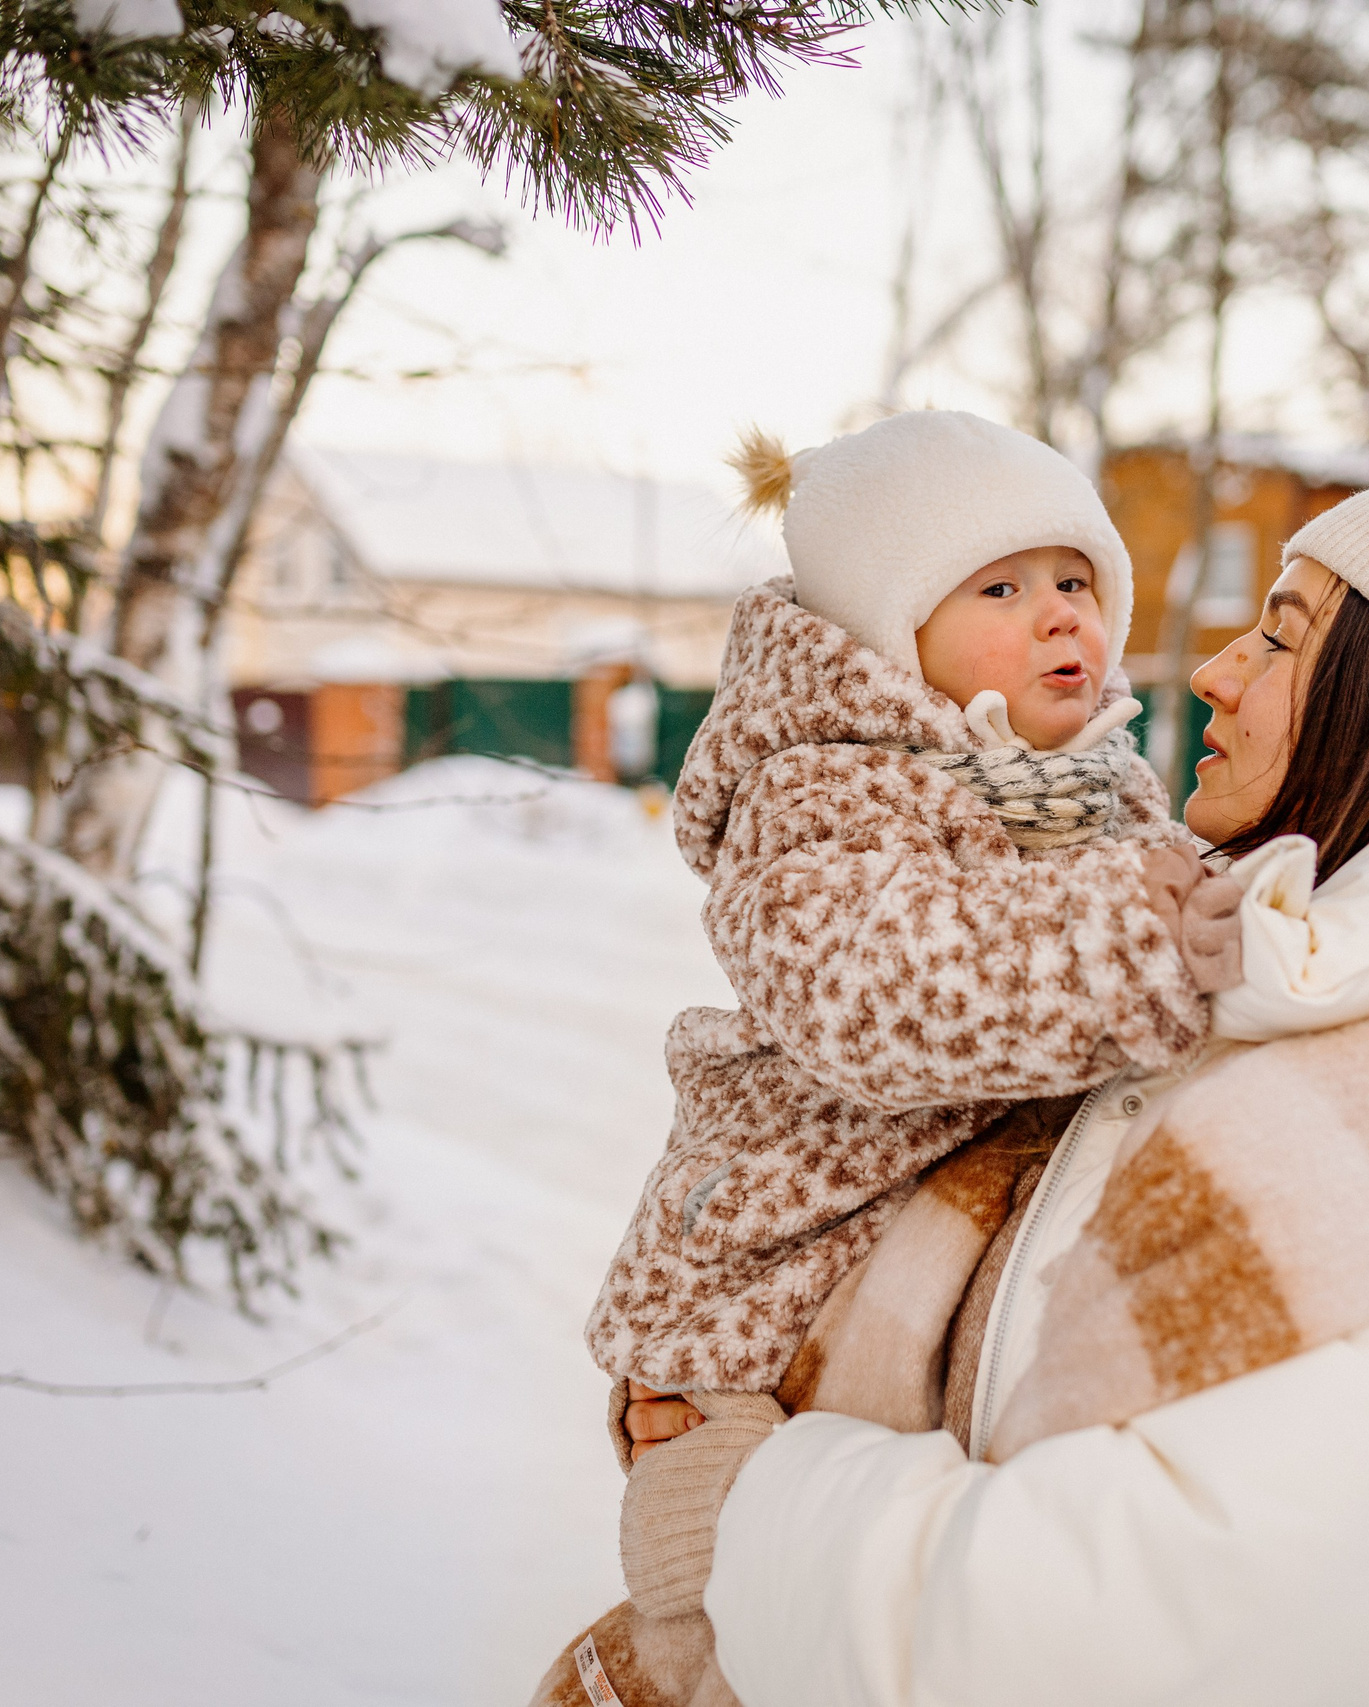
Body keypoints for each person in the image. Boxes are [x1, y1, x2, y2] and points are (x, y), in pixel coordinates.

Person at [587, 427, 1369, 1707]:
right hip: (744, 1264)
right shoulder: (848, 797)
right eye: (998, 588)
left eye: (1280, 635)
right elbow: (860, 977)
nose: (1207, 669)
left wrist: (752, 1497)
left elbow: (1064, 1643)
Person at [551, 411, 1245, 1707]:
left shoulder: (1096, 786)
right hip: (752, 1307)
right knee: (715, 1595)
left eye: (1077, 581)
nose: (1060, 619)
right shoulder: (821, 788)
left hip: (924, 1312)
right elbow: (863, 994)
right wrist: (1141, 947)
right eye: (1001, 585)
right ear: (888, 628)